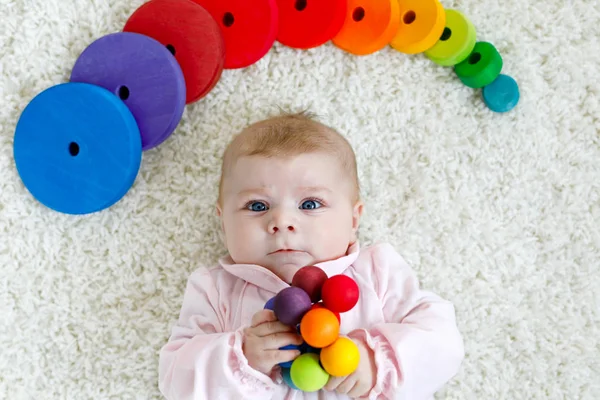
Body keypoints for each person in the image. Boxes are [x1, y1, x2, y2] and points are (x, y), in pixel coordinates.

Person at [158, 111, 464, 399]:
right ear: (223, 222)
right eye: (257, 206)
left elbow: (442, 342)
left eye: (310, 204)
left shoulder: (377, 271)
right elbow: (174, 380)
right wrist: (240, 358)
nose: (282, 222)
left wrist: (376, 362)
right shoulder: (214, 289)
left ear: (354, 220)